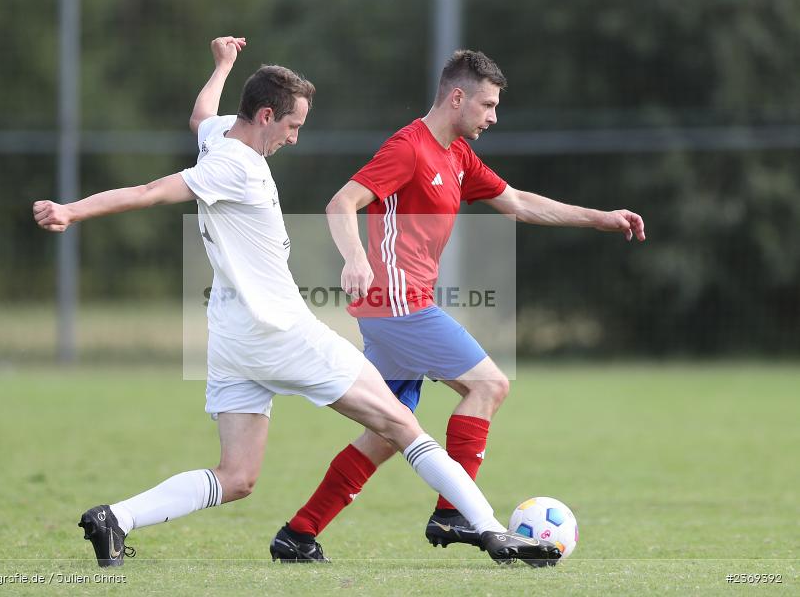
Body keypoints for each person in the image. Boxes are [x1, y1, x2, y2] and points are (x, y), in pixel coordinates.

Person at [32, 38, 560, 568]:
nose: (295, 136)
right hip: (280, 332)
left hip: (232, 338)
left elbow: (200, 116)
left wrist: (222, 66)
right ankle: (491, 531)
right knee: (402, 424)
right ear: (265, 116)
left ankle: (115, 519)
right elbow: (148, 190)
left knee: (237, 478)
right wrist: (70, 211)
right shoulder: (234, 166)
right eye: (292, 125)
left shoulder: (218, 139)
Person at [269, 49, 646, 561]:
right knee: (489, 385)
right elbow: (342, 202)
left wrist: (600, 218)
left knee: (387, 430)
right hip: (397, 305)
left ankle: (299, 534)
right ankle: (455, 515)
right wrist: (355, 258)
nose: (493, 116)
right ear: (456, 97)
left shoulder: (458, 156)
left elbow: (516, 202)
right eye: (487, 105)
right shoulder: (410, 147)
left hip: (398, 309)